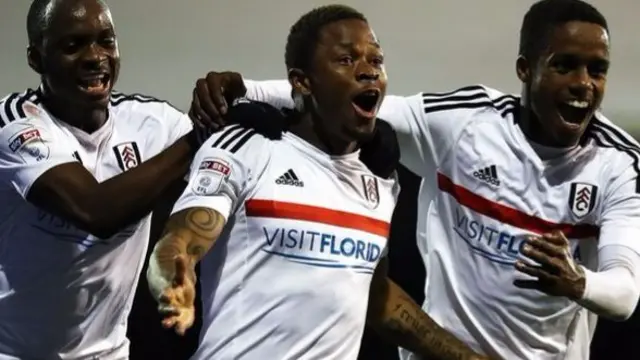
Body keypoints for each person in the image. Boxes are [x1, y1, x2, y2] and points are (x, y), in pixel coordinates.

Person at [188, 0, 640, 359]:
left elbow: (624, 296)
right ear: (525, 69)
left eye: (597, 70)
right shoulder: (465, 123)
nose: (584, 84)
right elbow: (346, 99)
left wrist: (578, 281)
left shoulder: (619, 163)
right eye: (565, 66)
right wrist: (243, 87)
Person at [147, 5, 487, 360]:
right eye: (347, 59)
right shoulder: (247, 147)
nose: (369, 70)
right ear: (302, 81)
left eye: (377, 59)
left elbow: (372, 291)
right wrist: (172, 280)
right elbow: (180, 241)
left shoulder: (380, 180)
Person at [0, 0, 209, 358]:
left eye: (105, 41)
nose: (95, 57)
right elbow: (96, 212)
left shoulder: (151, 122)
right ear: (36, 59)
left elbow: (237, 142)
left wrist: (236, 92)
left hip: (110, 352)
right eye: (73, 45)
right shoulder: (15, 123)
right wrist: (200, 136)